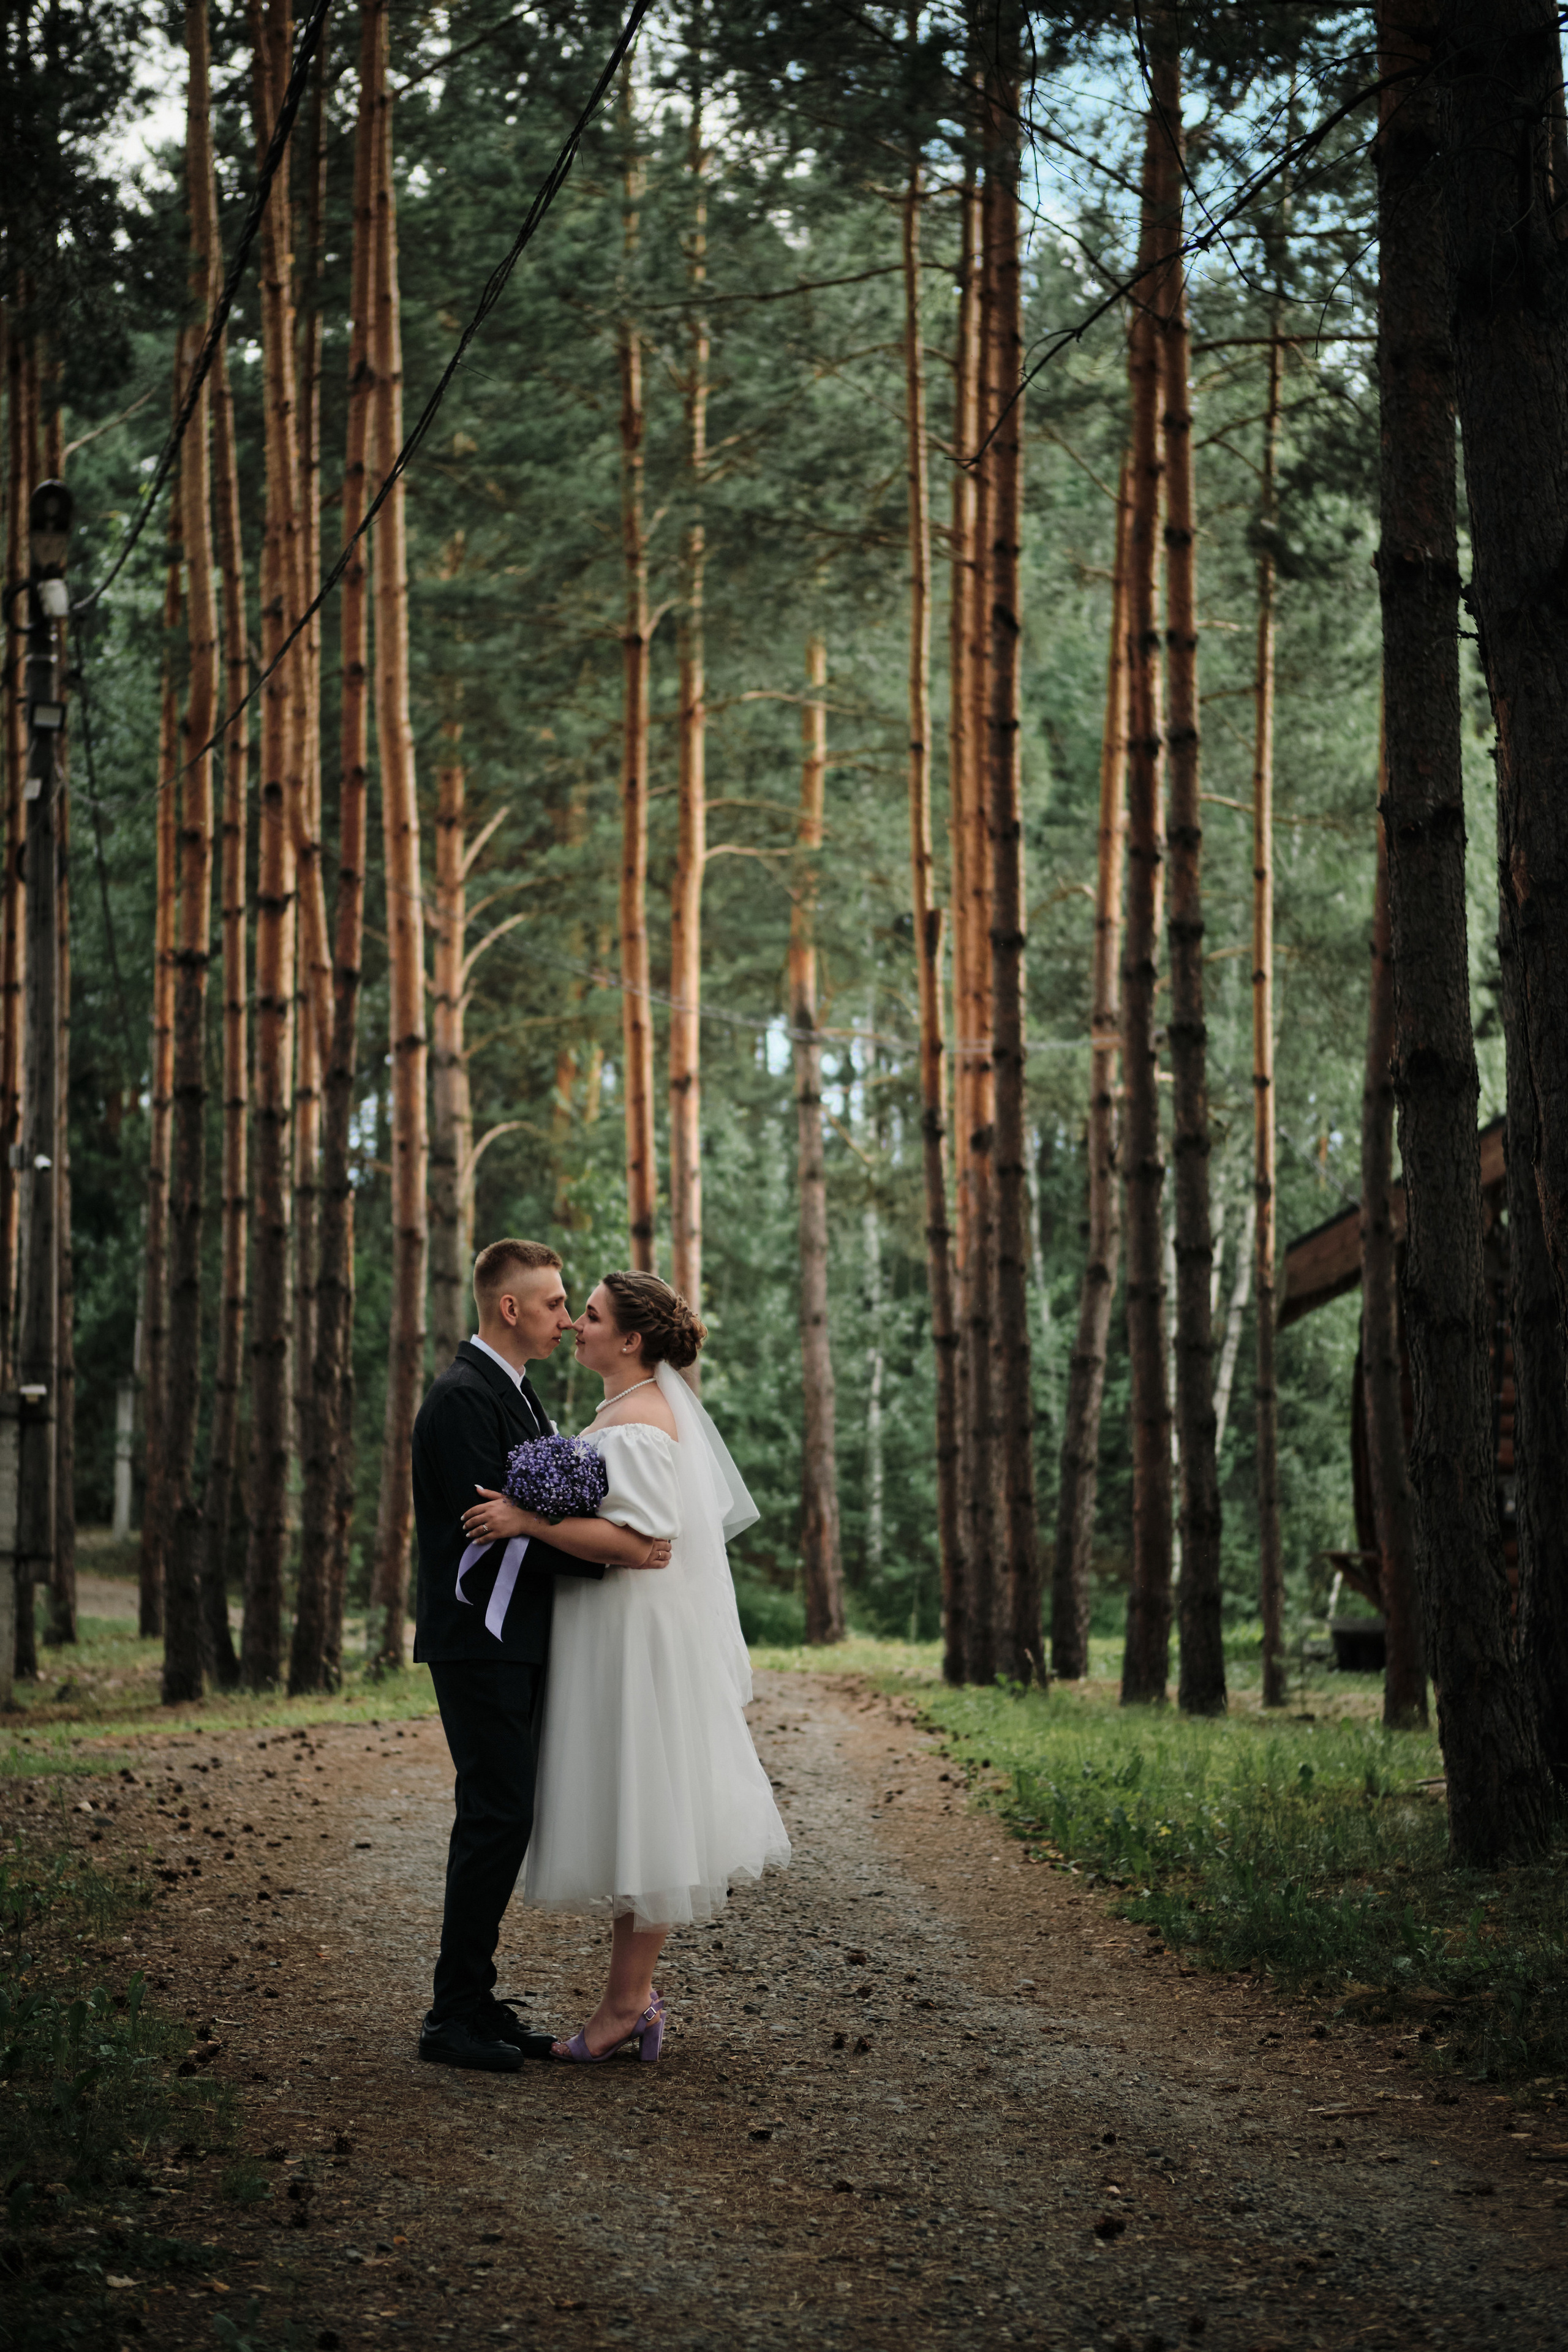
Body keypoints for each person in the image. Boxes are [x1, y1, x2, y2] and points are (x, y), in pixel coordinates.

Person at [461, 1268, 790, 2062]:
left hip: (637, 1633)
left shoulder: (641, 1423)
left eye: (595, 1316)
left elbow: (639, 1546)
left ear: (633, 1341)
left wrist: (522, 1519)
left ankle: (627, 2006)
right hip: (618, 1627)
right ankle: (629, 2001)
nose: (577, 1325)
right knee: (637, 1804)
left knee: (649, 1806)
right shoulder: (626, 1408)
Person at [412, 1239, 673, 2073]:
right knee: (495, 1816)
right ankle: (451, 2015)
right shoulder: (462, 1399)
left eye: (573, 1305)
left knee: (504, 1816)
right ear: (511, 1308)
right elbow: (487, 1529)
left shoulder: (515, 1395)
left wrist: (600, 1541)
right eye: (556, 1303)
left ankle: (476, 1999)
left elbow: (525, 1515)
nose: (567, 1318)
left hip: (514, 1638)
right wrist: (615, 1550)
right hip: (478, 1636)